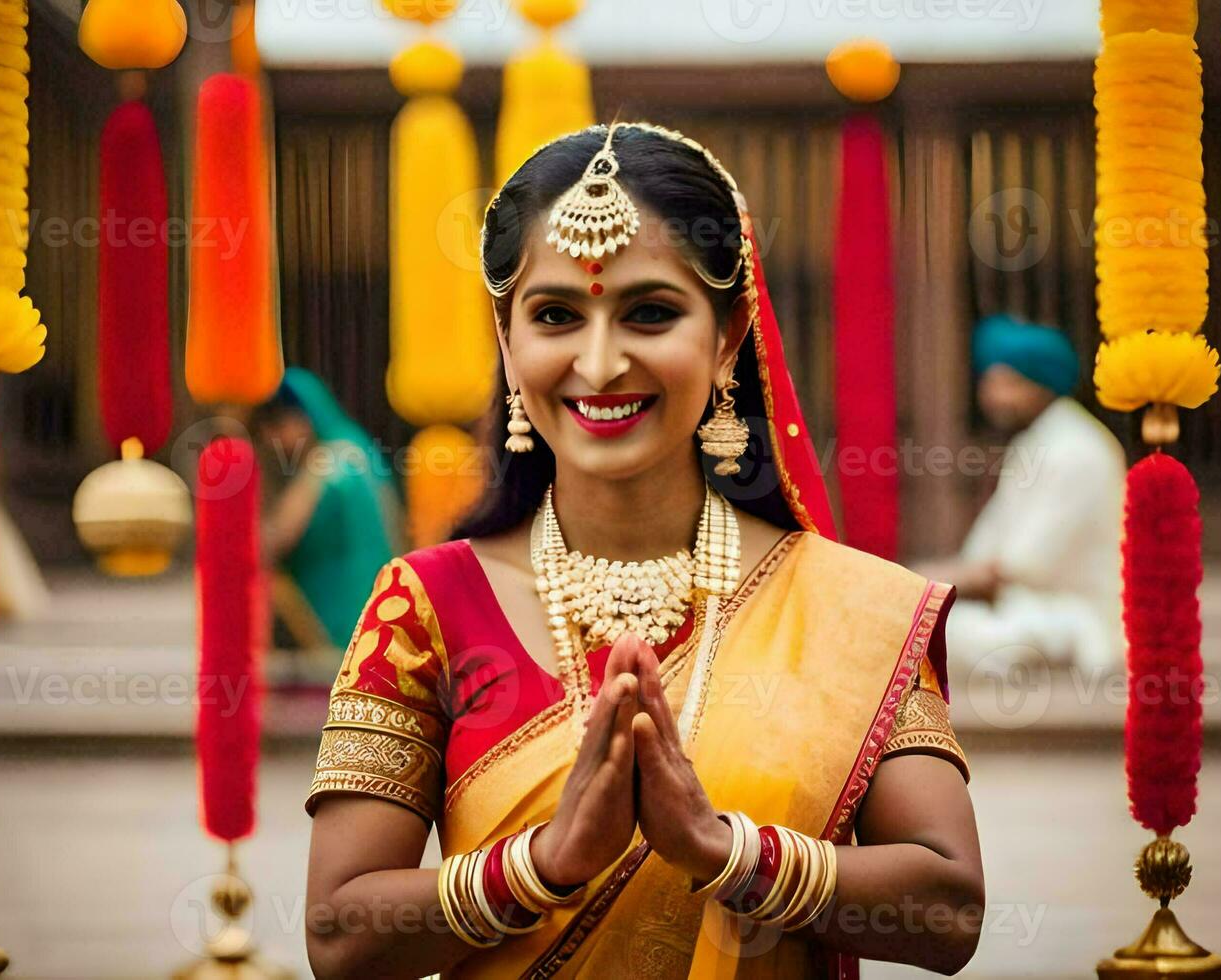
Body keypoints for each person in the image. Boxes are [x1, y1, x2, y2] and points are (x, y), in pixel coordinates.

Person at [304, 124, 983, 978]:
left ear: (729, 333)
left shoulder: (851, 607)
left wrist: (720, 848)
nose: (599, 362)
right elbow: (336, 931)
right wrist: (544, 866)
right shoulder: (424, 605)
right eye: (555, 315)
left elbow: (950, 909)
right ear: (507, 341)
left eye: (650, 313)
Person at [928, 314, 1126, 678]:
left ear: (1042, 384)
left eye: (1007, 383)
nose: (990, 396)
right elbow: (982, 555)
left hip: (1076, 617)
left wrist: (917, 585)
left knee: (930, 633)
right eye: (988, 382)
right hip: (1023, 608)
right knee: (917, 627)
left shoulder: (1076, 449)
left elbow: (1020, 565)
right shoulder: (1033, 443)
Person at [252, 367, 403, 652]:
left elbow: (270, 543)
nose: (271, 439)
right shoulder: (357, 450)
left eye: (277, 425)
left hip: (344, 625)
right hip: (381, 619)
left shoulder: (329, 463)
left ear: (304, 418)